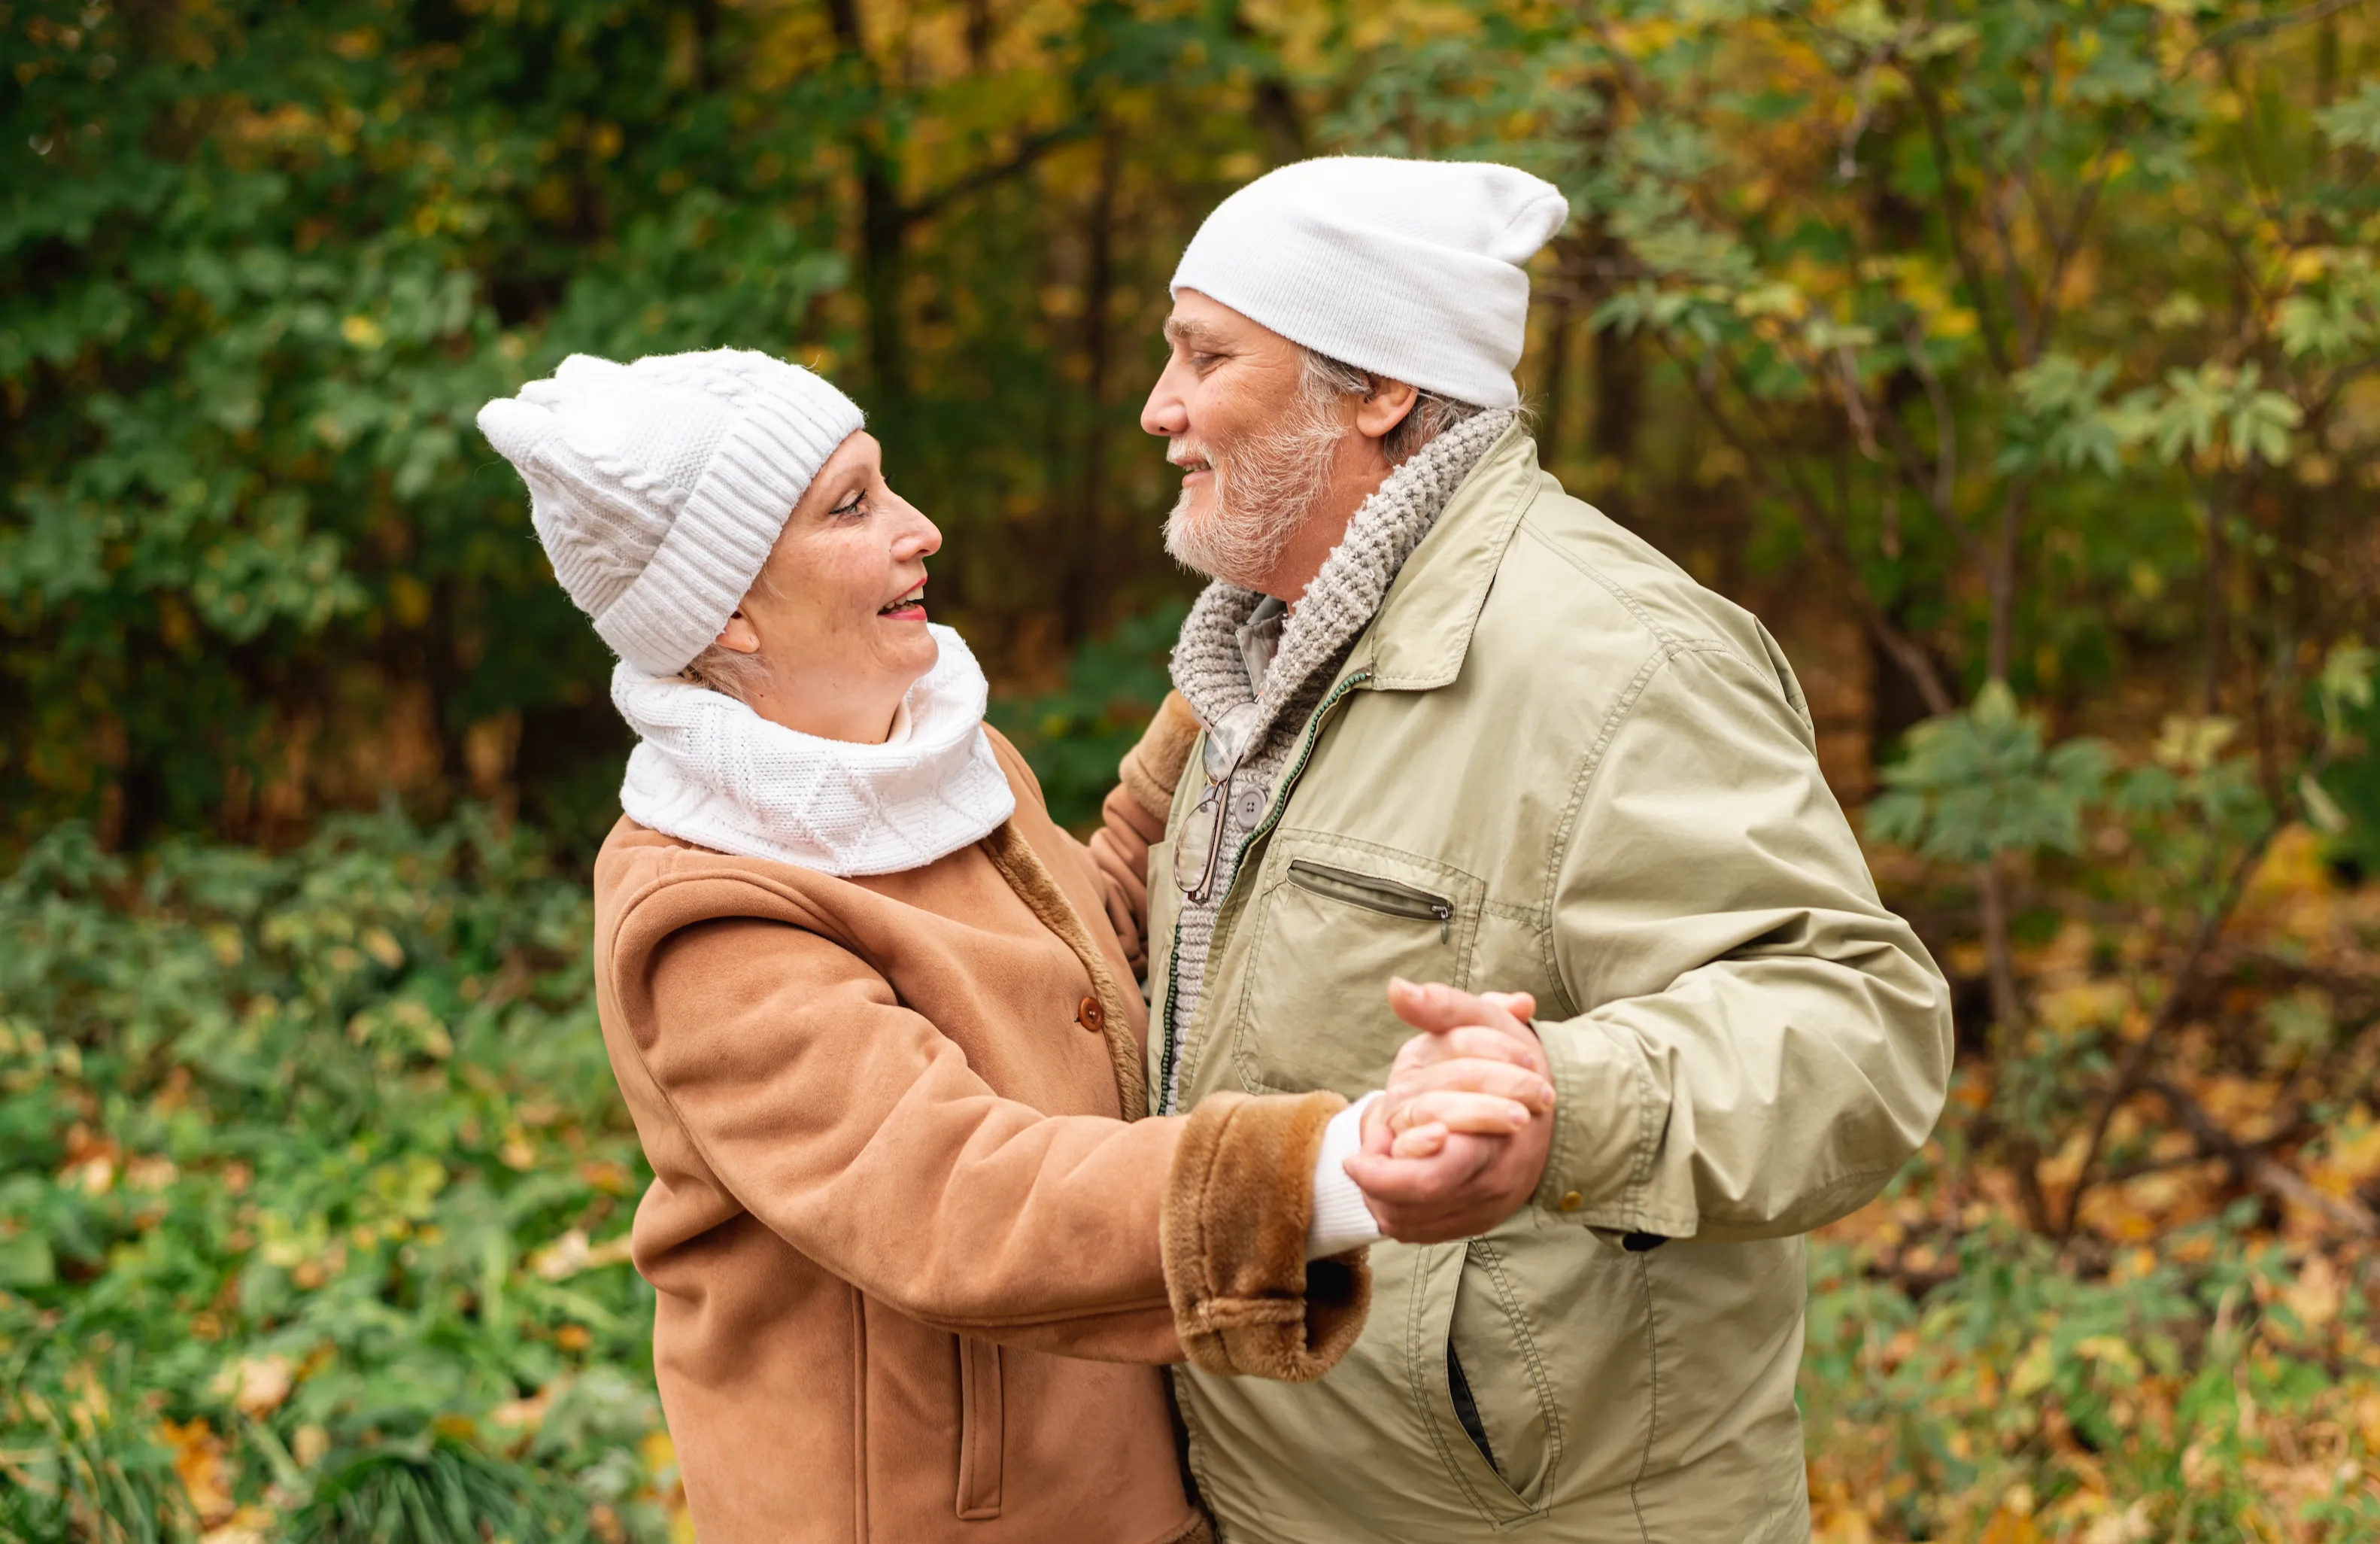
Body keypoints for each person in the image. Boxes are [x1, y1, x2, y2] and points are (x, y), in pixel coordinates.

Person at [474, 351, 1548, 1544]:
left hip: (1110, 1467)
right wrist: (1328, 1170)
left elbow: (1063, 959)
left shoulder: (928, 758)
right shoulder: (710, 914)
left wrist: (1225, 707)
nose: (920, 529)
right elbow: (958, 1199)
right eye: (853, 506)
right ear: (725, 606)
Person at [1128, 157, 1956, 1540]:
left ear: (1382, 389)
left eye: (1206, 356)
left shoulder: (1618, 659)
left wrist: (1565, 1107)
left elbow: (1858, 1029)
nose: (1161, 407)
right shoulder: (1257, 660)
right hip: (1274, 1495)